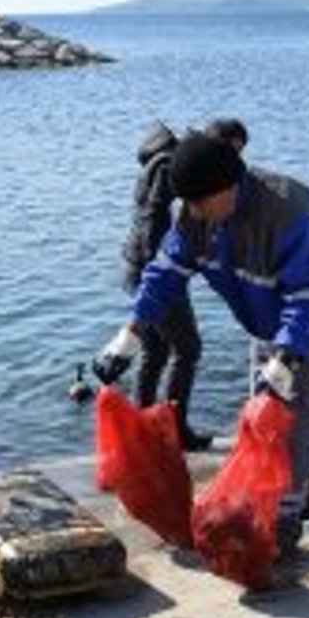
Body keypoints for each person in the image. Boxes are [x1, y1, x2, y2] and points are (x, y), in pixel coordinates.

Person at [93, 131, 309, 555]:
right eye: (188, 204)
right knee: (263, 416)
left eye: (201, 202)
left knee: (294, 419)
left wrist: (286, 361)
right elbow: (165, 274)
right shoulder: (196, 217)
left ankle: (282, 525)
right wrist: (129, 335)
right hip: (267, 321)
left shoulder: (291, 213)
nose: (194, 212)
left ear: (231, 185)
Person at [119, 122, 211, 452]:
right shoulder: (168, 167)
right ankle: (176, 430)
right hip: (153, 268)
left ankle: (141, 428)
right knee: (188, 349)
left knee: (155, 351)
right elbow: (157, 218)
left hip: (135, 265)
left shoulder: (151, 166)